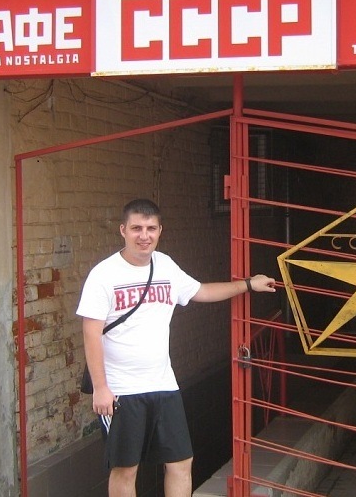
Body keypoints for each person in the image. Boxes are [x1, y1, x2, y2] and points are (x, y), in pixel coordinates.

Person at [77, 198, 275, 497]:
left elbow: (201, 291)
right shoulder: (104, 275)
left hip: (164, 384)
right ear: (123, 230)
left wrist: (247, 284)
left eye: (151, 228)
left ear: (160, 231)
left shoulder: (165, 265)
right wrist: (101, 388)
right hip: (121, 390)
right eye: (136, 228)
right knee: (125, 468)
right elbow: (91, 333)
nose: (144, 236)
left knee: (181, 462)